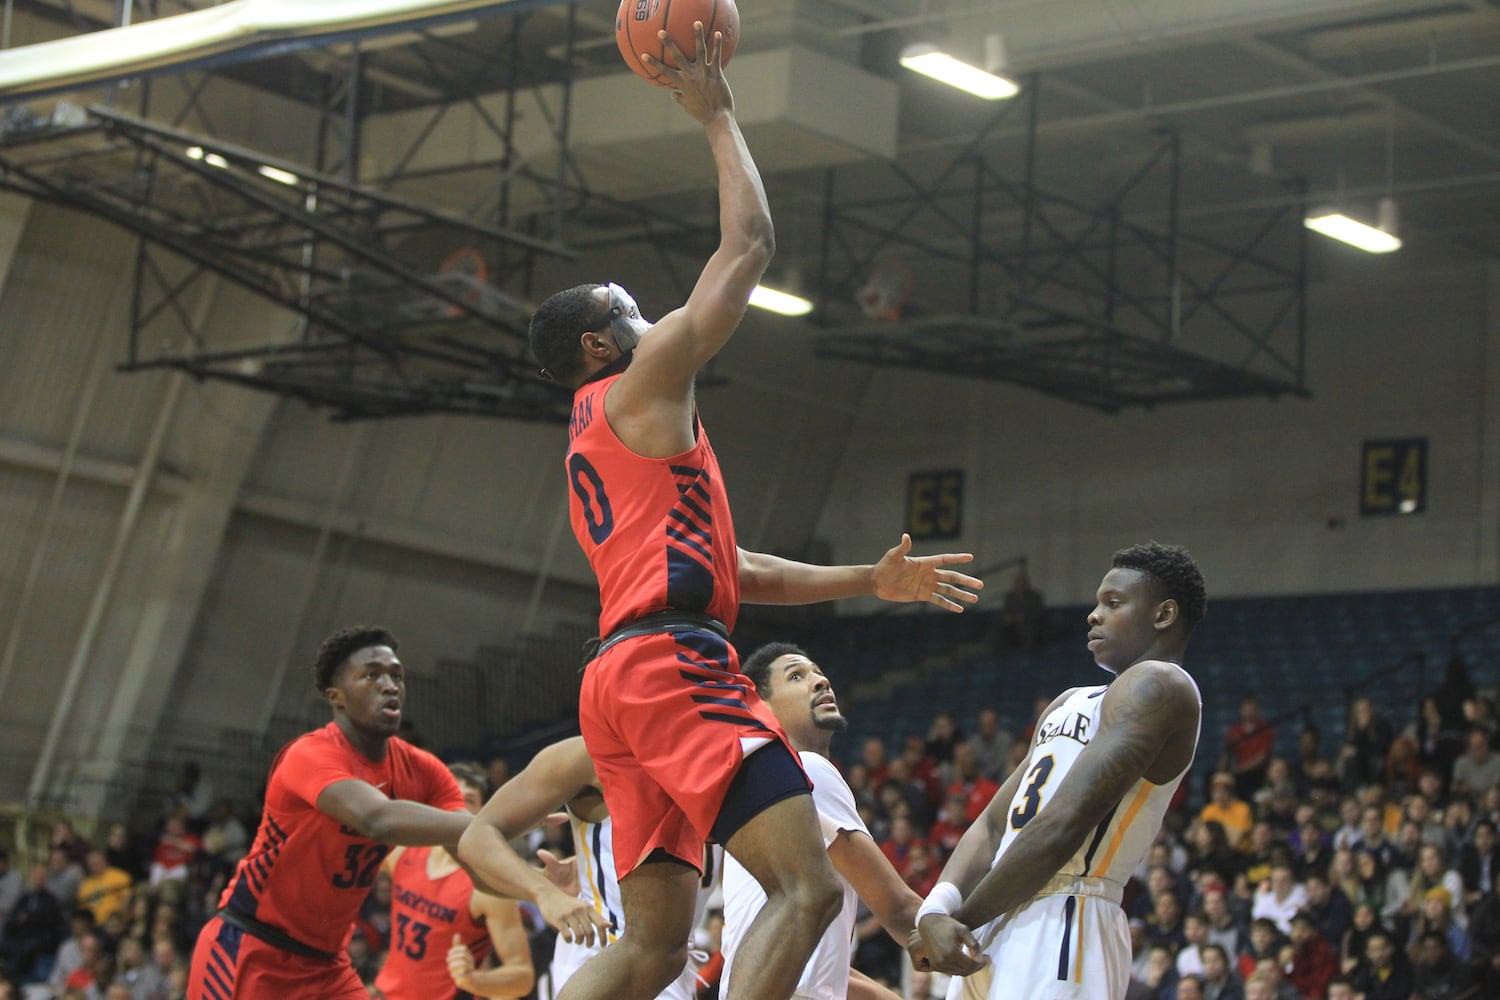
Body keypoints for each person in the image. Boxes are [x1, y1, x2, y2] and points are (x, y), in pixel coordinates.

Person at [524, 23, 982, 1000]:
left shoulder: (597, 437)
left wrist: (869, 578)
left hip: (617, 674)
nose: (654, 320)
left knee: (651, 951)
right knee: (808, 890)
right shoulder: (642, 382)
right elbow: (751, 245)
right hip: (672, 664)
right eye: (632, 309)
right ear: (604, 346)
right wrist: (721, 116)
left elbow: (743, 568)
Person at [910, 541, 1206, 1000]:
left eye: (1113, 603)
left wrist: (959, 921)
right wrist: (936, 911)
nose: (1092, 615)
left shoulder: (1162, 685)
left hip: (1069, 912)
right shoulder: (1069, 701)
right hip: (996, 911)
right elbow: (993, 823)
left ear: (1163, 615)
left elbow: (1063, 823)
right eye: (1095, 603)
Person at [185, 626, 501, 1000]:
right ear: (337, 697)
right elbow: (378, 821)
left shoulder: (424, 770)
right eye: (372, 675)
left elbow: (475, 861)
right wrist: (500, 821)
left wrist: (541, 884)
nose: (390, 685)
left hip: (326, 966)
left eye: (396, 675)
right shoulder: (309, 755)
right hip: (252, 948)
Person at [723, 642, 923, 1000]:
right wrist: (984, 943)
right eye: (797, 676)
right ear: (761, 706)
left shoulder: (762, 786)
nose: (820, 681)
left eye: (818, 672)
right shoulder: (805, 770)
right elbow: (899, 908)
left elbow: (816, 967)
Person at [457, 735, 704, 1000]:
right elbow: (476, 838)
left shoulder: (715, 749)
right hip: (602, 949)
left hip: (671, 961)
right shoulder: (587, 755)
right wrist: (543, 892)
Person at [374, 762, 535, 1000]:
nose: (456, 807)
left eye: (468, 801)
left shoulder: (487, 885)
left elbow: (522, 977)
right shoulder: (402, 852)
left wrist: (473, 980)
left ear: (481, 814)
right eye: (450, 796)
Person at [1223, 697, 1274, 803]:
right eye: (1247, 709)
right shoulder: (1235, 730)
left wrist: (1239, 770)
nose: (1249, 712)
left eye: (1252, 709)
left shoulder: (1265, 729)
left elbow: (1262, 757)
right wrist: (1223, 771)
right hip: (1239, 774)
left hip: (1258, 772)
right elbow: (1227, 752)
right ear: (1241, 710)